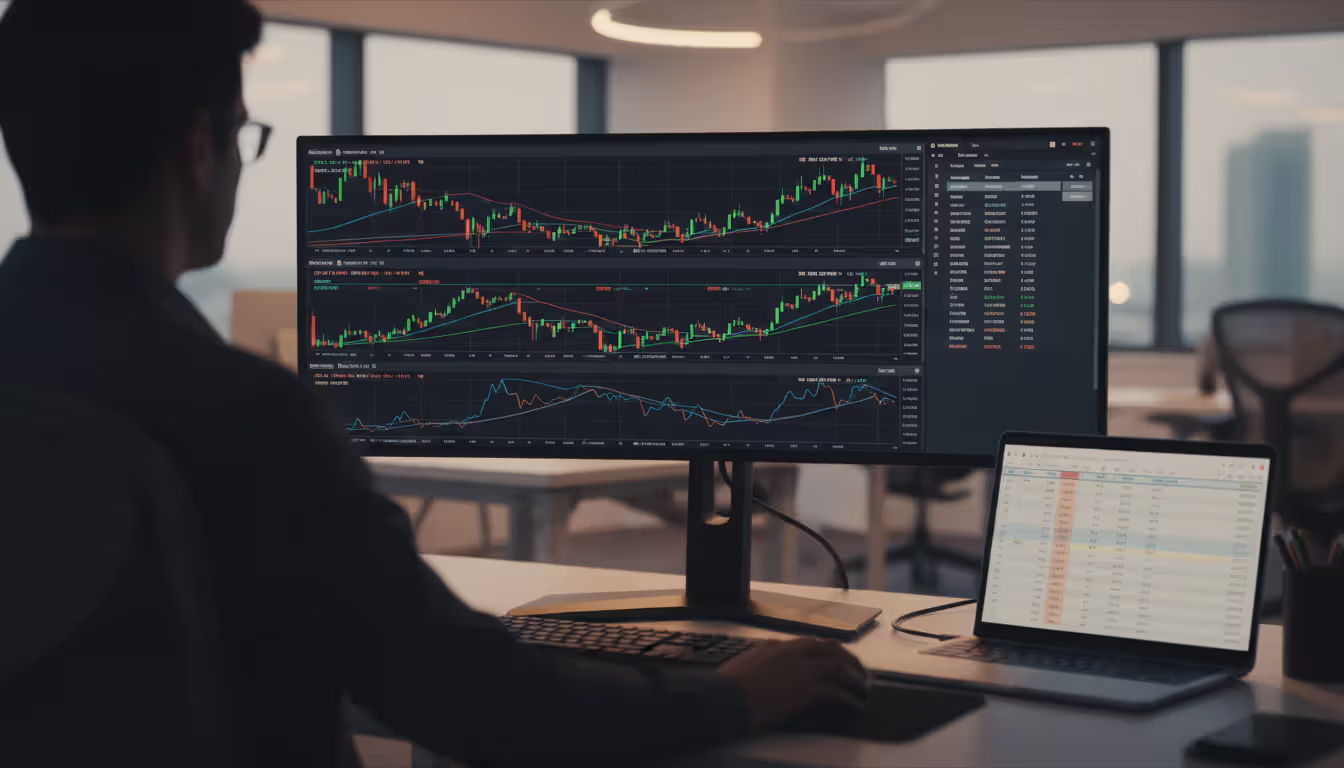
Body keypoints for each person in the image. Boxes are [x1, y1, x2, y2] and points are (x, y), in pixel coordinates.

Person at [0, 1, 868, 766]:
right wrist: (741, 693)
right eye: (241, 134)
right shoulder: (243, 415)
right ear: (198, 147)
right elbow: (474, 701)